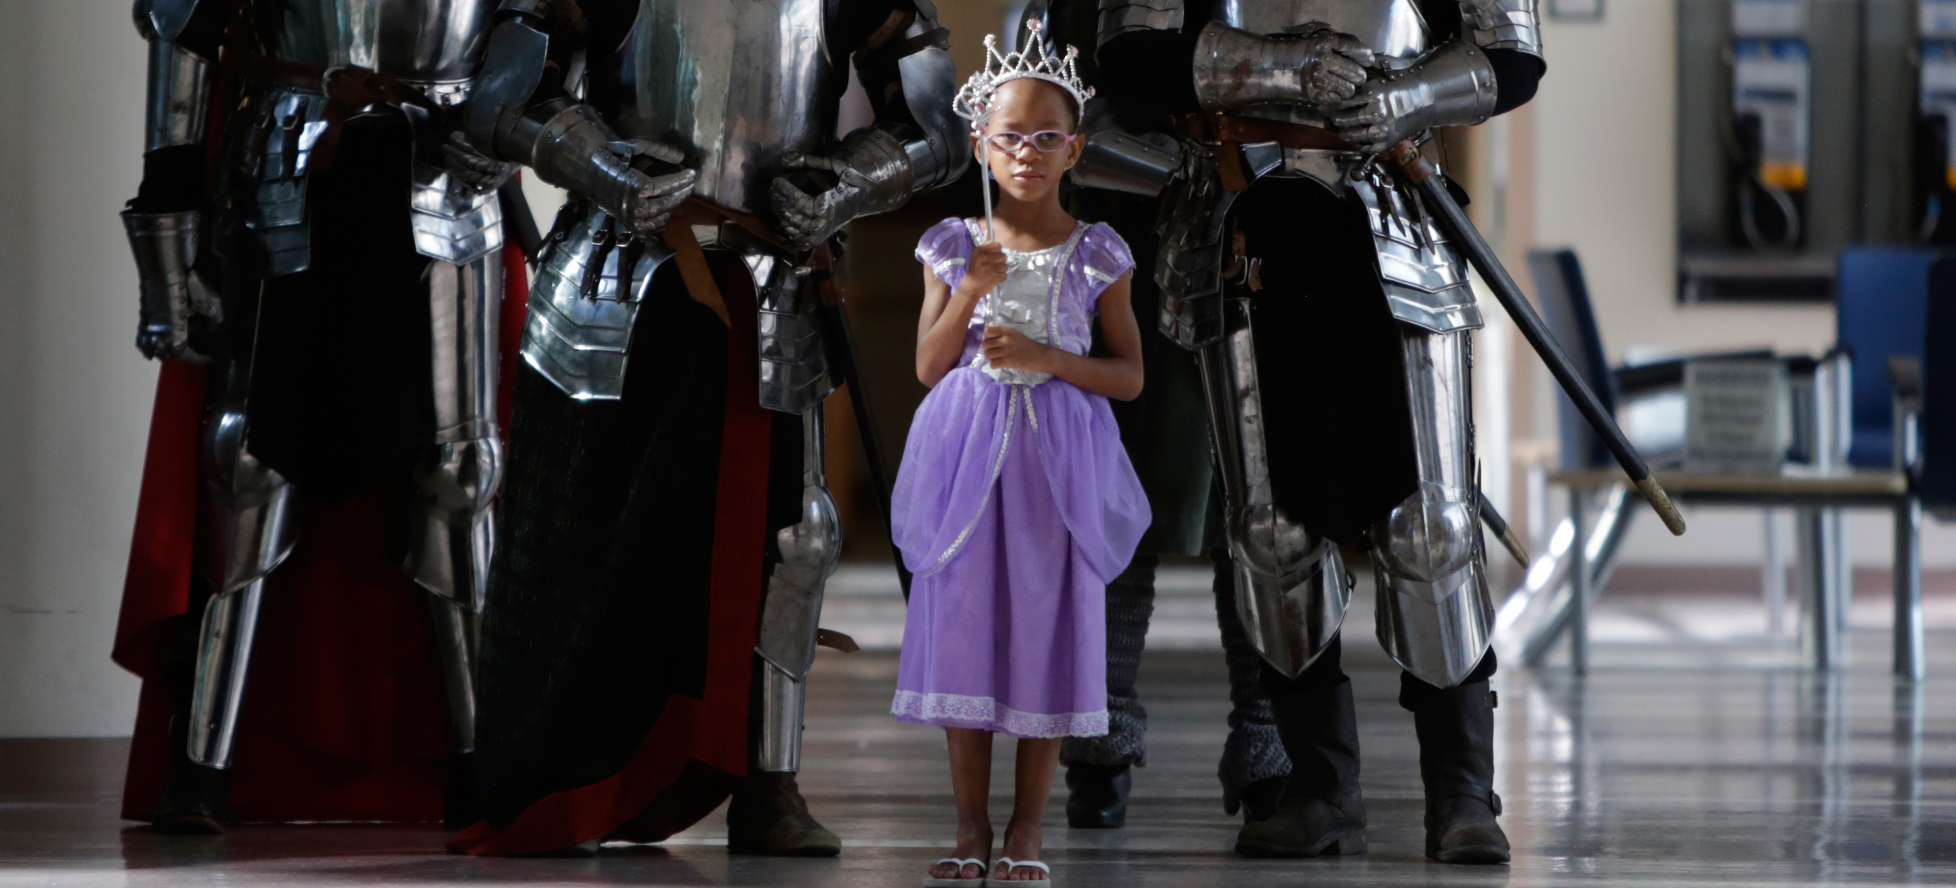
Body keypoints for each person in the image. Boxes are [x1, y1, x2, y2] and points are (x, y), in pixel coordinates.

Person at [444, 0, 966, 857]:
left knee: (791, 538)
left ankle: (772, 782)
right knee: (588, 536)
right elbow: (503, 95)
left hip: (774, 276)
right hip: (617, 273)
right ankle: (560, 764)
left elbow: (936, 120)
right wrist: (603, 162)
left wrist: (846, 183)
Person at [1086, 0, 1546, 865]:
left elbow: (1511, 52)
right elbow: (1133, 52)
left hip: (1395, 216)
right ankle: (1318, 786)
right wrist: (1282, 69)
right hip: (1244, 221)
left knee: (1432, 531)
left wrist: (1407, 96)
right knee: (1273, 532)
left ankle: (1461, 793)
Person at [115, 0, 520, 832]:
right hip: (290, 161)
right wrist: (165, 253)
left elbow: (550, 33)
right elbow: (186, 34)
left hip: (451, 172)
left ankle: (486, 764)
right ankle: (201, 766)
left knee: (460, 475)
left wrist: (511, 119)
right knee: (250, 466)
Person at [894, 28, 1150, 886]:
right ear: (980, 145)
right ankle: (969, 828)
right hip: (965, 456)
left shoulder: (1099, 252)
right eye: (1010, 136)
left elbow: (1129, 377)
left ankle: (1028, 832)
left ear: (1075, 148)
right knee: (966, 618)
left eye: (1048, 137)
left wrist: (1049, 360)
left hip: (1057, 467)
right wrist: (969, 287)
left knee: (1045, 626)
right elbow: (930, 369)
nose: (1028, 153)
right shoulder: (951, 243)